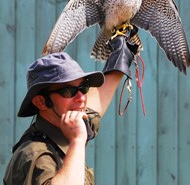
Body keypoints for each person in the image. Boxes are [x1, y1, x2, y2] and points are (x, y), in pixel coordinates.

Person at [3, 33, 139, 185]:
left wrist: (120, 60)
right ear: (41, 102)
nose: (81, 97)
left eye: (84, 87)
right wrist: (77, 141)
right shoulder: (36, 155)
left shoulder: (63, 127)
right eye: (68, 91)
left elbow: (94, 108)